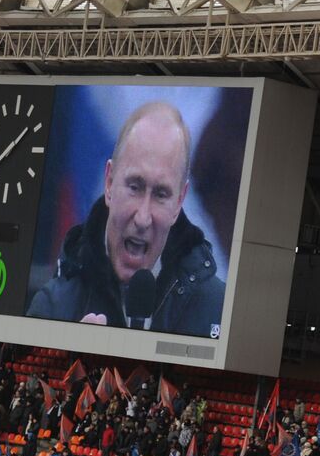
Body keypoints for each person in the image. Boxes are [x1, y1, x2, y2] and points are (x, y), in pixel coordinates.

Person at [26, 101, 225, 338]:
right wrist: (72, 359)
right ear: (109, 182)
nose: (142, 218)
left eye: (161, 194)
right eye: (135, 187)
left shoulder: (217, 311)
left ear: (179, 201)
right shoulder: (54, 308)